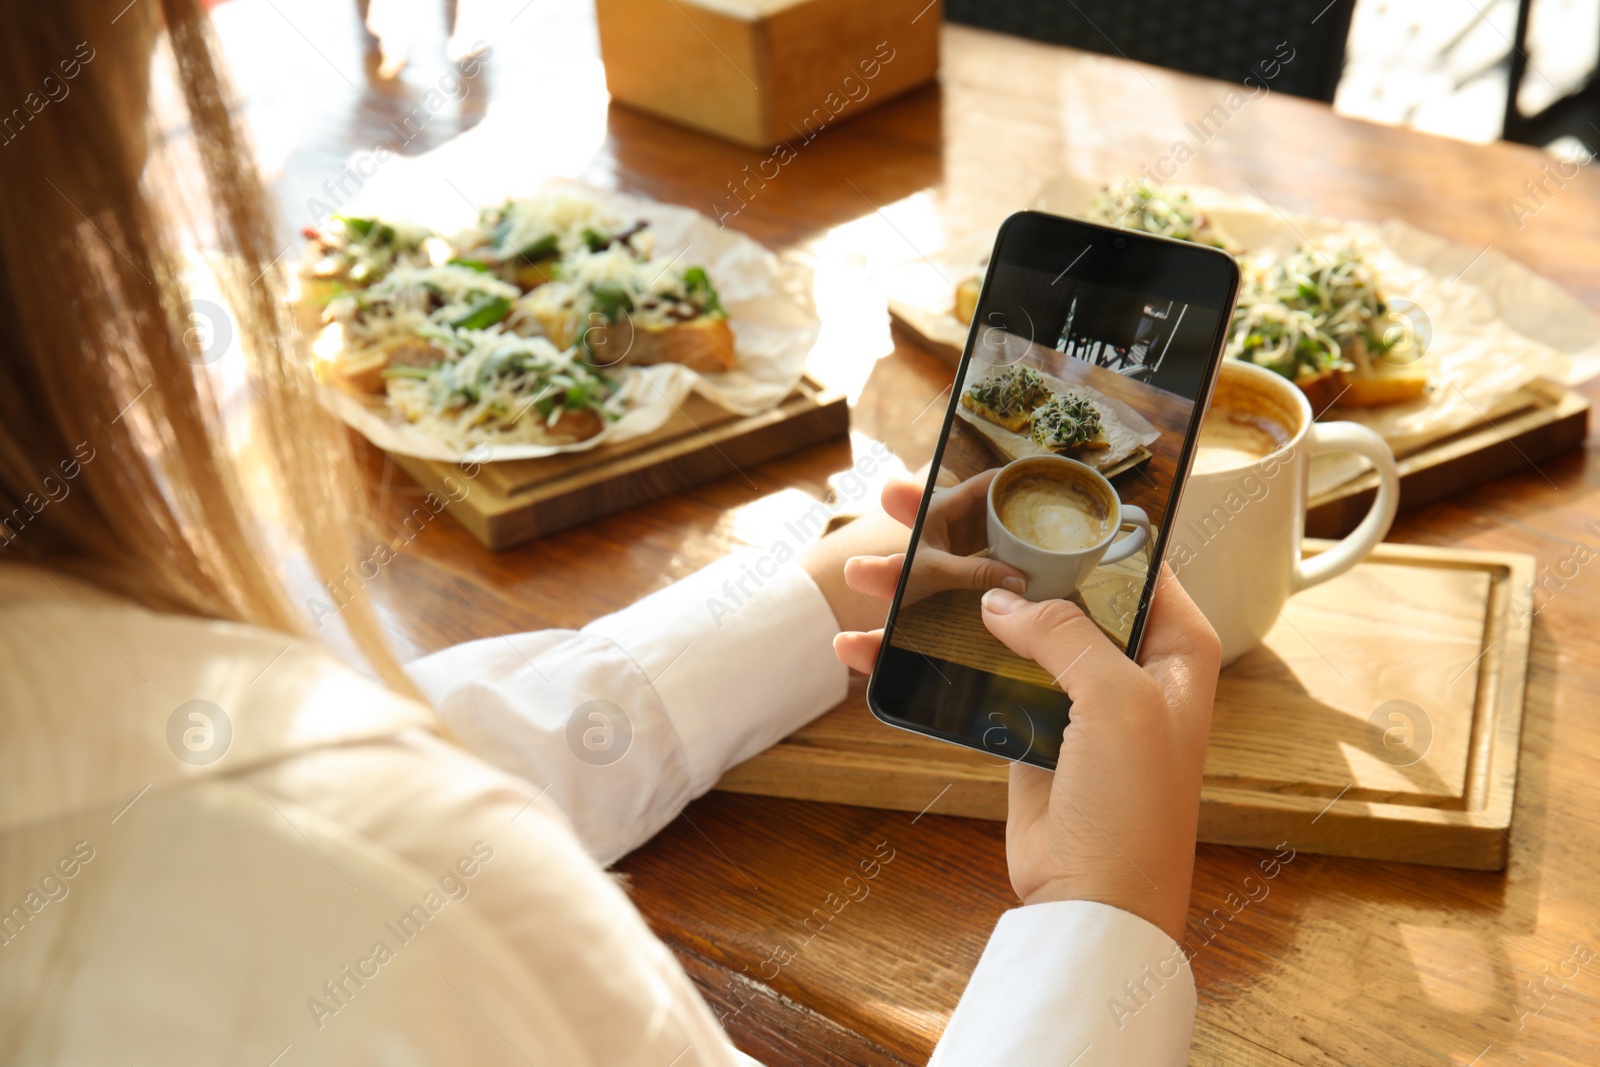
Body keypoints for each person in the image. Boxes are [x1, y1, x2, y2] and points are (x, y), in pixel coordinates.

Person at [0, 2, 1221, 1064]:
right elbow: (370, 838)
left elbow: (440, 751)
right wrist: (1100, 914)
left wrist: (804, 604)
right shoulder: (372, 880)